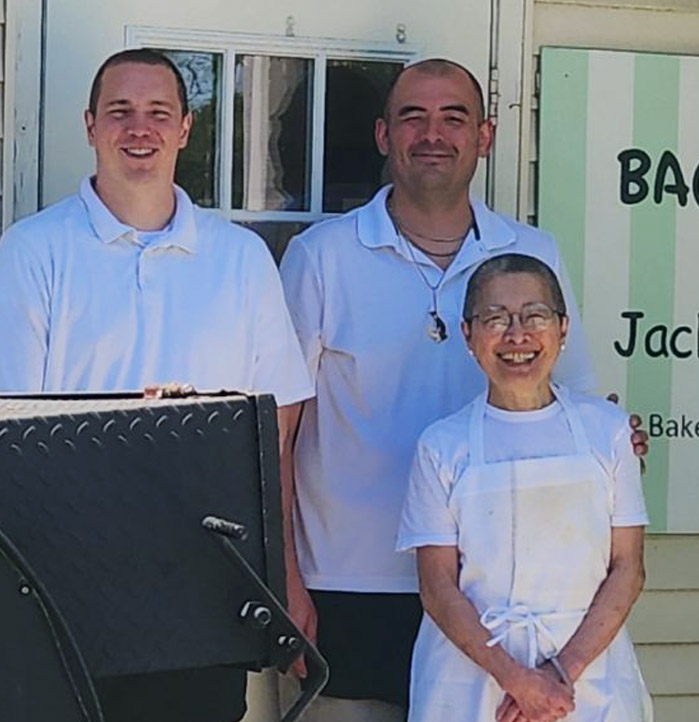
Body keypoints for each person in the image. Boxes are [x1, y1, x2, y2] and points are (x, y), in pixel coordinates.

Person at [0, 48, 315, 722]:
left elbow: (278, 434)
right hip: (62, 586)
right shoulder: (34, 253)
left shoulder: (240, 261)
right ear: (90, 125)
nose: (138, 128)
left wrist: (286, 575)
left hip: (204, 589)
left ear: (185, 130)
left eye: (158, 113)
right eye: (120, 111)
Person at [279, 58, 642, 722]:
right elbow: (276, 436)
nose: (433, 133)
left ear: (486, 136)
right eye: (413, 116)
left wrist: (621, 436)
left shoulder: (531, 253)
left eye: (454, 117)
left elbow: (580, 404)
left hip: (500, 600)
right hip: (349, 581)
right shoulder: (321, 257)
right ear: (384, 136)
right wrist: (286, 580)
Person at [398, 253, 651, 722]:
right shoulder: (441, 446)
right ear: (469, 335)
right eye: (496, 319)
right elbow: (436, 586)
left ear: (562, 328)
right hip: (472, 681)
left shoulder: (609, 432)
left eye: (534, 316)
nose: (517, 336)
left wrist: (559, 674)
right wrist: (516, 679)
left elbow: (628, 570)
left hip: (589, 681)